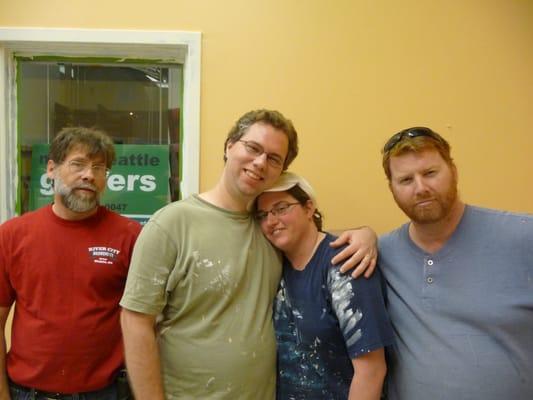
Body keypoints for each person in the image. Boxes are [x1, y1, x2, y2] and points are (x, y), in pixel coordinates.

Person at [119, 109, 378, 399]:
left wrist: (365, 234)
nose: (259, 163)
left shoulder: (270, 229)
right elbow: (135, 321)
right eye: (252, 148)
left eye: (273, 158)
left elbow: (311, 241)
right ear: (230, 146)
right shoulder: (170, 224)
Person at [378, 126, 533, 399]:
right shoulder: (382, 254)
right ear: (391, 189)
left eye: (430, 173)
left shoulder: (522, 236)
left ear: (453, 171)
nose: (421, 188)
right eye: (405, 180)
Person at [0, 127, 141, 399]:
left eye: (99, 168)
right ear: (51, 169)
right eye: (78, 164)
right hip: (28, 393)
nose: (89, 175)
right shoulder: (12, 235)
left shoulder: (131, 236)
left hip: (106, 393)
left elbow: (147, 322)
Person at [255, 172, 394, 400]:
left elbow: (372, 371)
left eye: (281, 208)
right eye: (263, 214)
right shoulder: (274, 264)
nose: (271, 221)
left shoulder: (345, 264)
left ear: (309, 208)